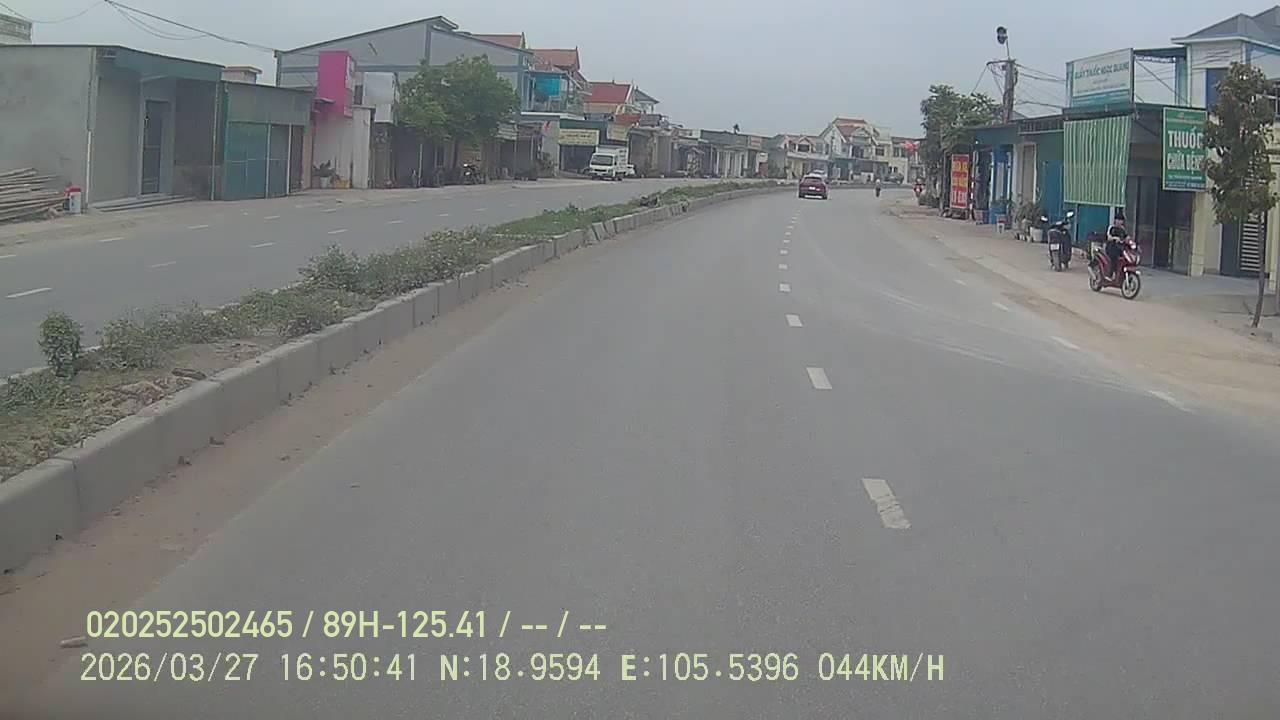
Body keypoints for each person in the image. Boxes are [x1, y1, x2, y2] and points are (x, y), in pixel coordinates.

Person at [1105, 211, 1129, 280]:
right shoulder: (1111, 228)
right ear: (1115, 220)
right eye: (1118, 220)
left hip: (1120, 248)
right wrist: (1115, 238)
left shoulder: (1123, 229)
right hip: (1111, 247)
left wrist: (1128, 240)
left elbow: (1126, 237)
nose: (1119, 222)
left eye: (1121, 220)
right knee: (1114, 257)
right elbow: (1108, 237)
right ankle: (1110, 274)